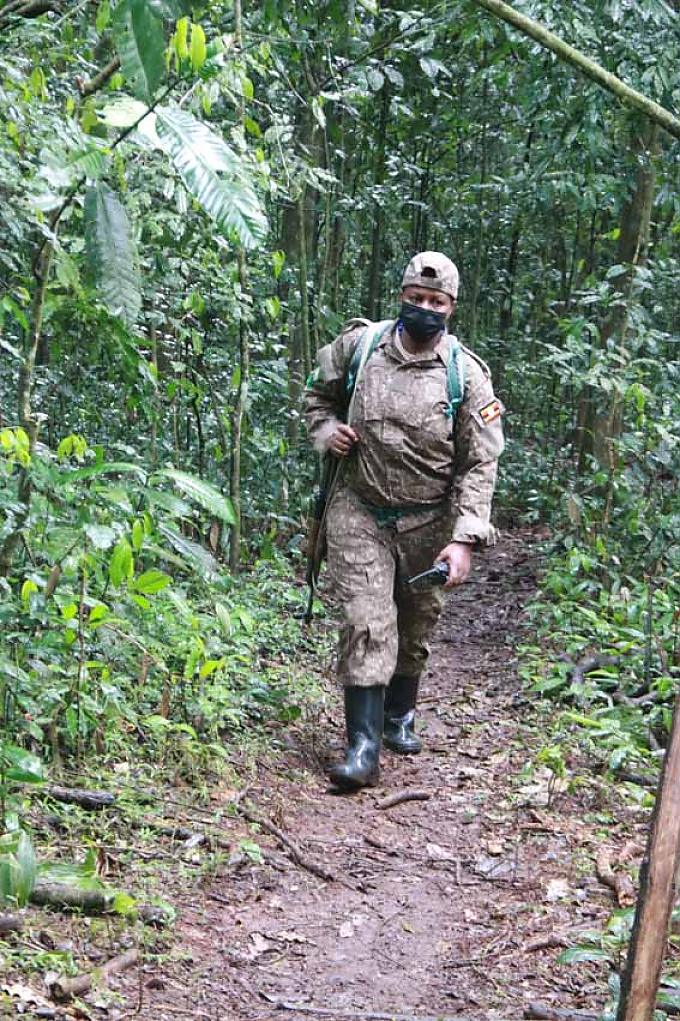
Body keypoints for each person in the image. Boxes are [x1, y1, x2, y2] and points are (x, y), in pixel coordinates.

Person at [303, 252, 504, 792]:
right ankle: (362, 747)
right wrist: (328, 432)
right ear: (401, 296)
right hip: (359, 506)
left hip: (429, 519)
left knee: (415, 623)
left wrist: (464, 539)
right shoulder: (360, 347)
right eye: (415, 298)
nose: (424, 308)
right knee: (369, 620)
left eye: (435, 302)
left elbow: (481, 461)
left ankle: (399, 715)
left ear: (451, 309)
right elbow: (316, 399)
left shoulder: (467, 375)